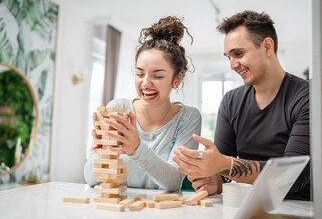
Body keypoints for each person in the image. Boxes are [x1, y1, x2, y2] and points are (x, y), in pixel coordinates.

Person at [173, 10, 310, 200]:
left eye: (238, 54)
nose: (232, 64)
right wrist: (217, 181)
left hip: (300, 208)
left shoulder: (306, 97)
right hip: (248, 204)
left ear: (267, 46)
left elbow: (293, 177)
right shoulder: (231, 102)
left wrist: (225, 165)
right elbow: (221, 171)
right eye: (228, 57)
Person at [84, 16, 201, 192]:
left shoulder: (188, 118)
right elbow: (89, 179)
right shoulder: (118, 108)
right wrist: (106, 153)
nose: (146, 83)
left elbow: (173, 182)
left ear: (176, 80)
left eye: (158, 76)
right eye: (140, 74)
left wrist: (136, 148)